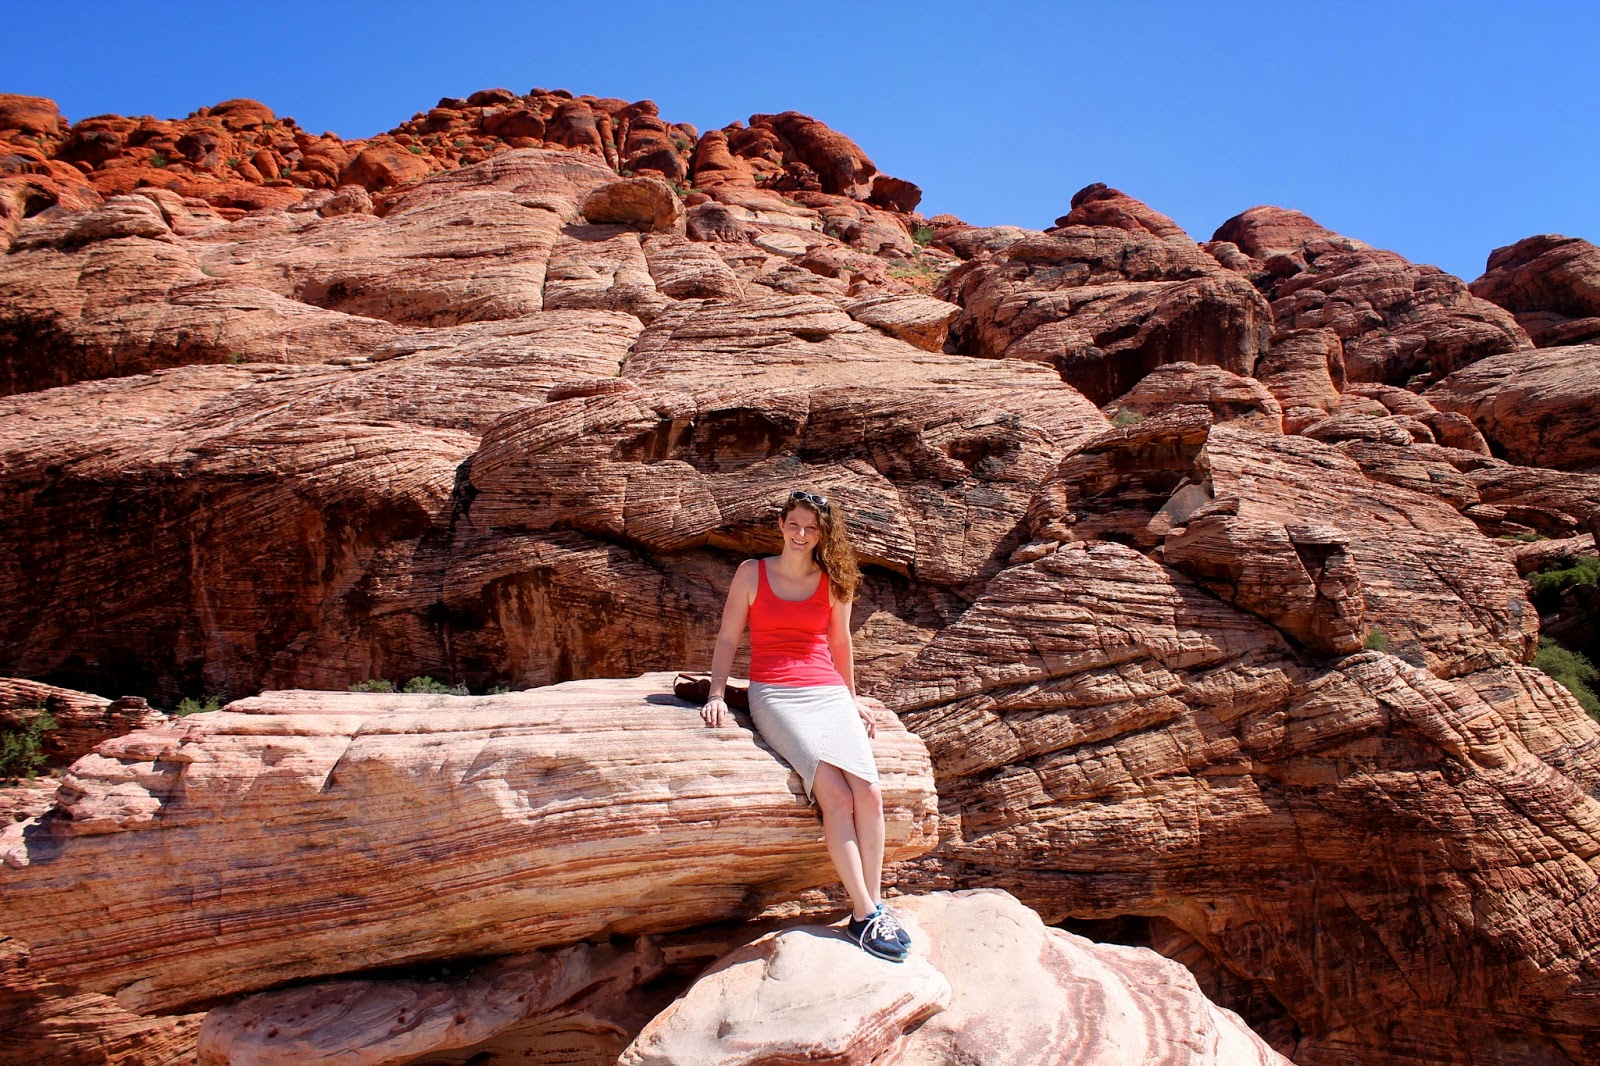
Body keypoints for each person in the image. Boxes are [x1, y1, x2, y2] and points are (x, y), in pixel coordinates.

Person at [701, 489, 912, 962]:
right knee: (834, 794)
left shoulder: (835, 579)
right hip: (775, 694)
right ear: (780, 525)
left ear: (822, 534)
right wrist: (717, 693)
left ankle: (871, 908)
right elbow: (729, 636)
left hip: (827, 692)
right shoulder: (752, 573)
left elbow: (840, 644)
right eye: (794, 525)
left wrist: (852, 698)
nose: (801, 535)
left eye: (811, 528)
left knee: (870, 793)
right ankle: (864, 912)